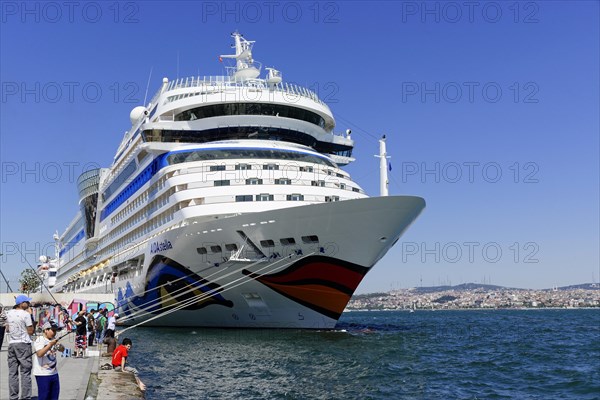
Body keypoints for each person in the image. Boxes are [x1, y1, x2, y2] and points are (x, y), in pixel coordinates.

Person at [6, 294, 34, 400]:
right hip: (24, 344)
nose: (29, 304)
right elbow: (31, 332)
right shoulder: (26, 314)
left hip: (12, 344)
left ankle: (13, 397)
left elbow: (8, 329)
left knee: (13, 373)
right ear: (22, 303)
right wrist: (31, 316)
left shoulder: (8, 313)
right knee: (25, 372)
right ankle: (25, 397)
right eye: (27, 302)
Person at [33, 321, 61, 400]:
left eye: (56, 331)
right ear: (46, 330)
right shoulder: (40, 340)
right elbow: (39, 354)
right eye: (53, 330)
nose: (55, 333)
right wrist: (50, 345)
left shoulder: (53, 340)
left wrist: (59, 345)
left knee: (54, 396)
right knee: (44, 397)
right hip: (43, 374)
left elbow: (62, 349)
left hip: (54, 373)